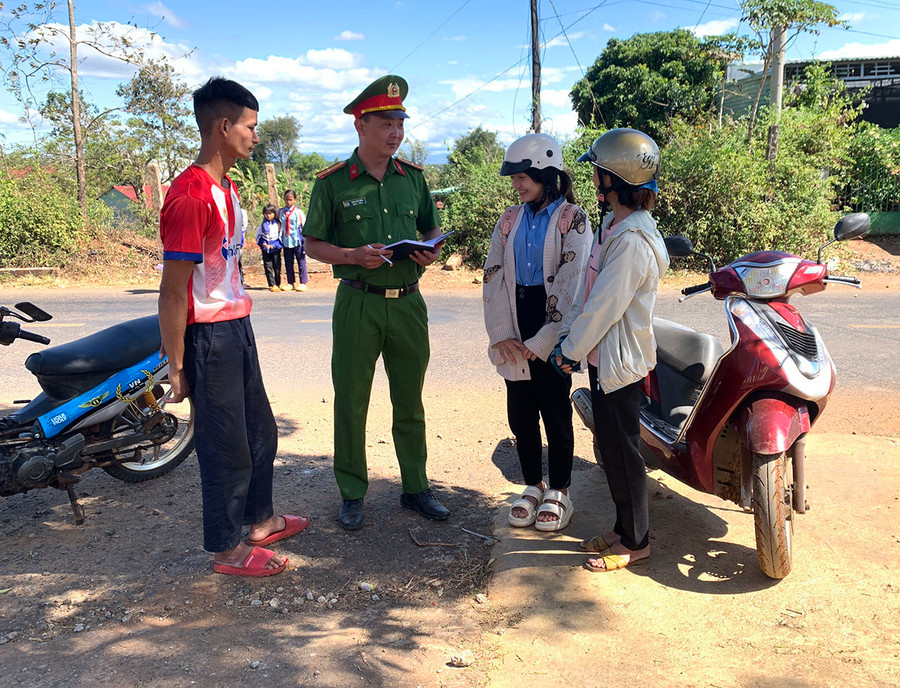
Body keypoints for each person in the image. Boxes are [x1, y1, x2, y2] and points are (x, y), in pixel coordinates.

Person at [158, 77, 308, 577]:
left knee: (261, 433)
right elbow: (174, 291)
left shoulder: (229, 189)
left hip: (237, 325)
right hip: (208, 338)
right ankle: (227, 550)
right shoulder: (189, 197)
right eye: (250, 126)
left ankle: (260, 521)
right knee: (225, 446)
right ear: (224, 127)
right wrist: (177, 366)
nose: (255, 136)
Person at [303, 74, 450, 530]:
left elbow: (429, 228)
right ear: (360, 126)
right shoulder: (332, 184)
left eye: (399, 123)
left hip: (408, 302)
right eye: (385, 122)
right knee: (351, 400)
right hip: (357, 303)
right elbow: (312, 243)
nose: (395, 132)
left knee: (410, 400)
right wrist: (351, 257)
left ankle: (416, 486)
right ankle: (351, 491)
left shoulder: (414, 180)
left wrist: (432, 248)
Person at [553, 128, 669, 571]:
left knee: (624, 453)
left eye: (599, 172)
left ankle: (636, 541)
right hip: (604, 358)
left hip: (621, 361)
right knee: (610, 450)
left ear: (615, 180)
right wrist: (572, 344)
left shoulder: (633, 241)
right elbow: (589, 290)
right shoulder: (612, 226)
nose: (595, 179)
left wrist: (569, 351)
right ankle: (622, 530)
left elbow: (605, 306)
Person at [482, 133, 592, 532]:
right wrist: (502, 334)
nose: (516, 183)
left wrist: (546, 339)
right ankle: (532, 483)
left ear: (546, 172)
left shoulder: (572, 220)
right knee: (520, 413)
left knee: (555, 411)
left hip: (554, 326)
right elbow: (493, 276)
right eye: (514, 177)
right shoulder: (509, 220)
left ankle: (560, 490)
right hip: (515, 321)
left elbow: (571, 281)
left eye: (522, 175)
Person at [280, 189, 308, 291]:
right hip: (286, 241)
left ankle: (303, 282)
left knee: (301, 261)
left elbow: (304, 225)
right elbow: (279, 224)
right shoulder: (281, 212)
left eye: (290, 200)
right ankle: (290, 282)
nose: (288, 202)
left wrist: (306, 239)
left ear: (295, 200)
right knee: (288, 262)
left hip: (297, 240)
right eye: (286, 199)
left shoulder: (298, 212)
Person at [257, 203, 284, 291]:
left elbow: (281, 238)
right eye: (266, 214)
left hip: (275, 249)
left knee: (277, 267)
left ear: (274, 214)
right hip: (266, 250)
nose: (268, 215)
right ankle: (272, 284)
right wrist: (263, 244)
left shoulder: (278, 225)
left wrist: (275, 245)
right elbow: (258, 237)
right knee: (268, 266)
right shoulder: (262, 225)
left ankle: (278, 283)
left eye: (270, 213)